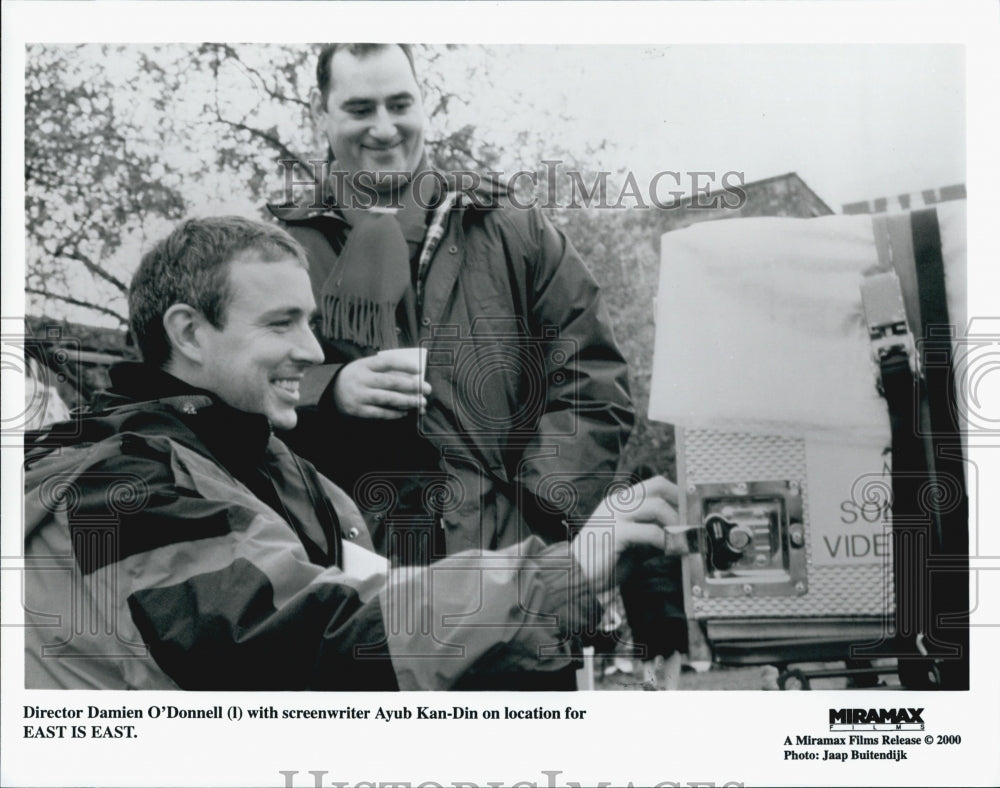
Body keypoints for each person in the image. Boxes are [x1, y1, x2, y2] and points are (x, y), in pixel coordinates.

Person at [23, 216, 680, 691]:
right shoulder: (113, 486)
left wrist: (568, 595)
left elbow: (384, 601)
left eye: (310, 320)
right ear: (190, 333)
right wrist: (560, 572)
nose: (313, 351)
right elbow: (308, 642)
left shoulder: (284, 472)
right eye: (282, 323)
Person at [269, 43, 634, 570]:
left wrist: (537, 521)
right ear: (318, 111)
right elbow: (244, 392)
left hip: (512, 566)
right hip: (351, 582)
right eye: (359, 109)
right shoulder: (281, 252)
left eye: (400, 105)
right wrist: (329, 391)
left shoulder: (513, 228)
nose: (384, 128)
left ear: (426, 104)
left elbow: (592, 380)